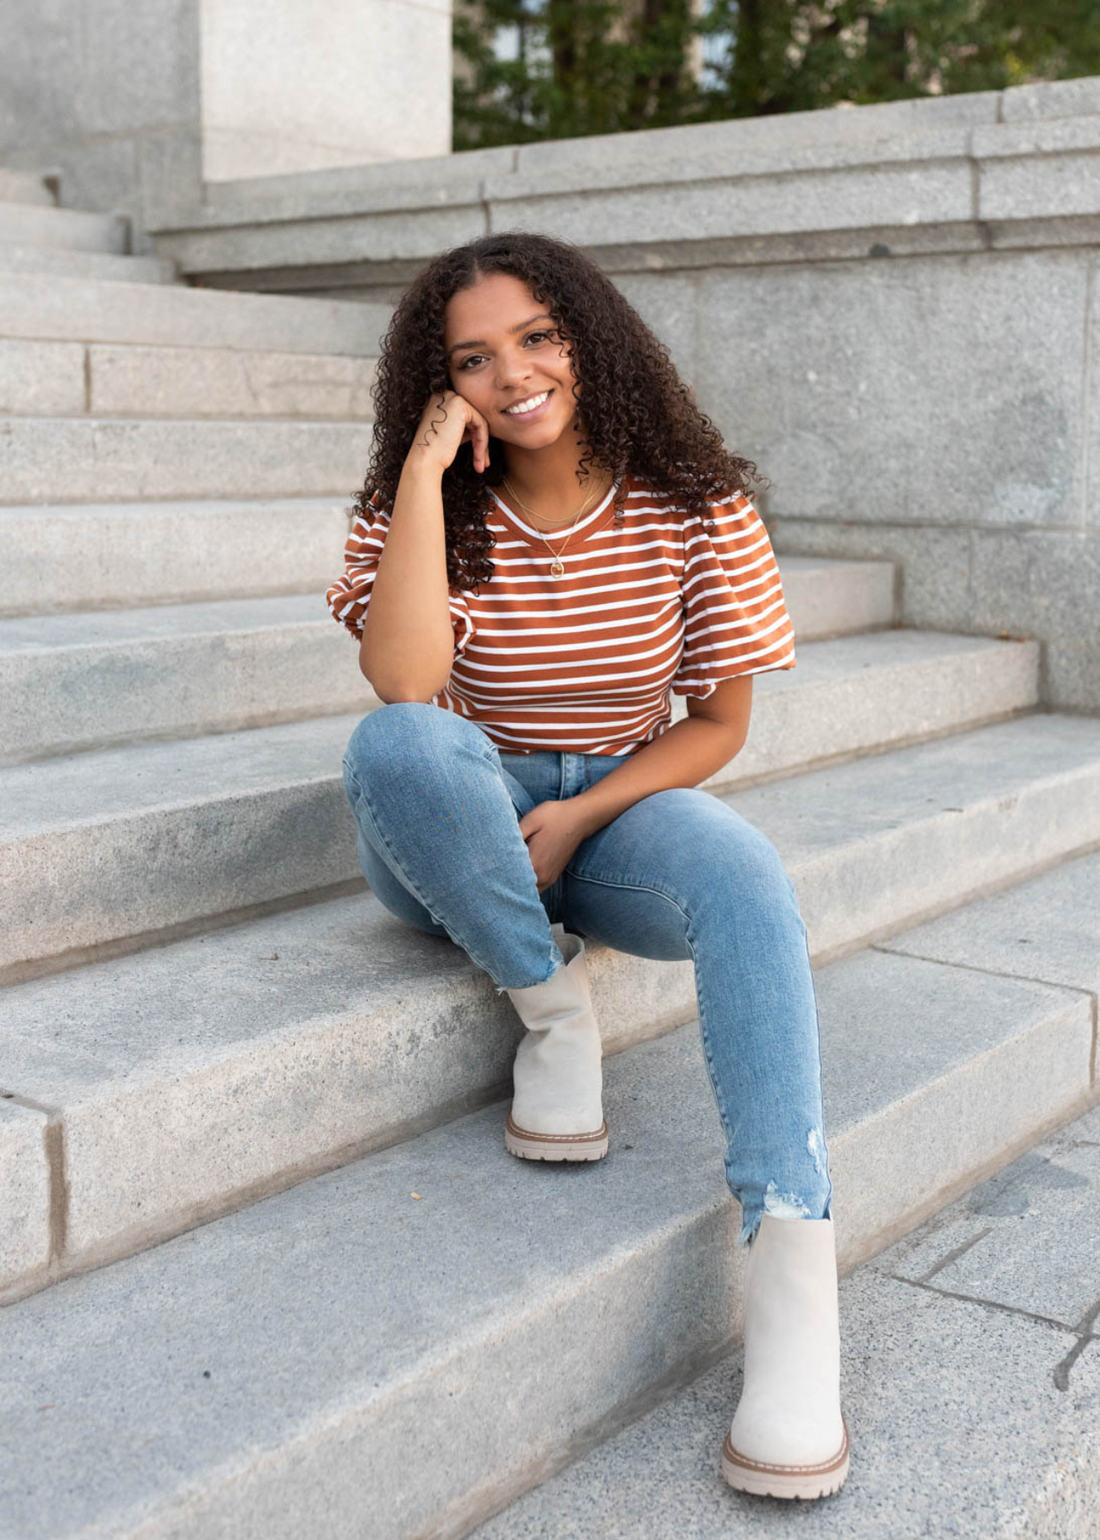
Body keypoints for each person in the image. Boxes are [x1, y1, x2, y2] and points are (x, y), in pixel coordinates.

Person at [327, 230, 849, 1501]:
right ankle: (546, 1001)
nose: (512, 372)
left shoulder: (692, 496)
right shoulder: (429, 506)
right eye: (472, 358)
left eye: (536, 337)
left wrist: (584, 811)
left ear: (589, 339)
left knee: (739, 874)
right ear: (440, 383)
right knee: (401, 744)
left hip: (609, 820)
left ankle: (792, 1274)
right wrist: (419, 473)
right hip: (454, 831)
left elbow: (719, 726)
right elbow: (406, 686)